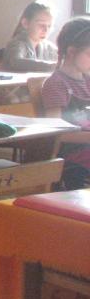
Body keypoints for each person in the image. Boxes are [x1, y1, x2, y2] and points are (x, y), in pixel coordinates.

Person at [41, 16, 90, 189]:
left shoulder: (87, 80)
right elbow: (56, 132)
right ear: (71, 51)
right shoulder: (57, 84)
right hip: (71, 156)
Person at [0, 0, 57, 72]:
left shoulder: (50, 48)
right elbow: (16, 62)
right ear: (25, 23)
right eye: (41, 25)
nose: (46, 30)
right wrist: (51, 66)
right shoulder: (17, 43)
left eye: (49, 26)